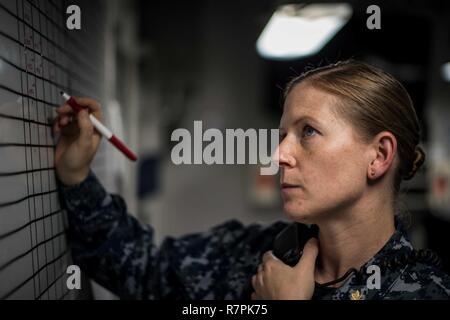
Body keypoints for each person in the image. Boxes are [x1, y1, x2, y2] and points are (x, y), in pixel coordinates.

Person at [54, 60, 450, 300]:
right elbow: (142, 269)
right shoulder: (261, 256)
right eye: (282, 136)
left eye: (308, 132)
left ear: (378, 156)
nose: (279, 155)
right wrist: (76, 175)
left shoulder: (424, 291)